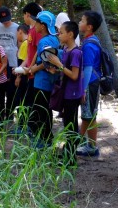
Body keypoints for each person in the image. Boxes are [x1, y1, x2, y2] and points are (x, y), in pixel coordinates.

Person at [46, 21, 83, 165]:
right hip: (66, 92)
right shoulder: (66, 50)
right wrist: (55, 69)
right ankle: (67, 153)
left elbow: (74, 75)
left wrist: (58, 64)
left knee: (71, 125)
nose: (58, 35)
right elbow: (65, 71)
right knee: (67, 123)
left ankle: (71, 158)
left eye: (61, 32)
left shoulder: (76, 52)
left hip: (72, 95)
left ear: (70, 34)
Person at [26, 10, 59, 147]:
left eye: (37, 23)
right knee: (44, 109)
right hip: (47, 81)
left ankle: (45, 139)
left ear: (43, 26)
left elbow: (46, 61)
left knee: (42, 109)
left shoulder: (45, 41)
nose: (35, 25)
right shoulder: (52, 39)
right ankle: (45, 137)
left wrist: (34, 68)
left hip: (42, 81)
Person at [11, 2, 43, 136]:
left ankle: (30, 128)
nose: (23, 17)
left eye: (24, 15)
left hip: (35, 73)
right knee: (25, 100)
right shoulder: (31, 30)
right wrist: (22, 67)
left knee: (31, 101)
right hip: (28, 71)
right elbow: (30, 54)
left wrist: (30, 68)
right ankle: (24, 126)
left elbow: (38, 52)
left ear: (28, 14)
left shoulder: (37, 31)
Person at [76, 11, 104, 157]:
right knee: (90, 115)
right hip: (93, 83)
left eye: (82, 20)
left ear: (89, 26)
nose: (80, 22)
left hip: (90, 84)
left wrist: (83, 90)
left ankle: (81, 145)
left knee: (88, 115)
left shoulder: (89, 45)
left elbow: (87, 69)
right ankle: (90, 146)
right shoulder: (91, 40)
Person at [0, 6, 19, 120]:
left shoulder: (17, 27)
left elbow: (21, 44)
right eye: (3, 20)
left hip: (12, 63)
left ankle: (10, 114)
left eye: (7, 19)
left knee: (11, 91)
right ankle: (0, 113)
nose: (6, 22)